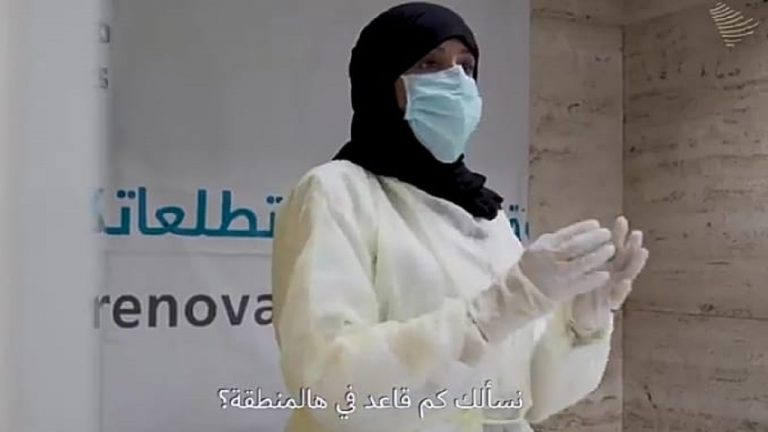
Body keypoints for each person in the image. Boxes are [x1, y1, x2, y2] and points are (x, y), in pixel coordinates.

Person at [270, 3, 649, 432]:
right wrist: (494, 311)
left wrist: (580, 326)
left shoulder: (484, 212)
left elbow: (526, 400)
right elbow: (327, 384)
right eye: (429, 64)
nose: (454, 80)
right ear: (381, 81)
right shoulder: (337, 192)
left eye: (466, 66)